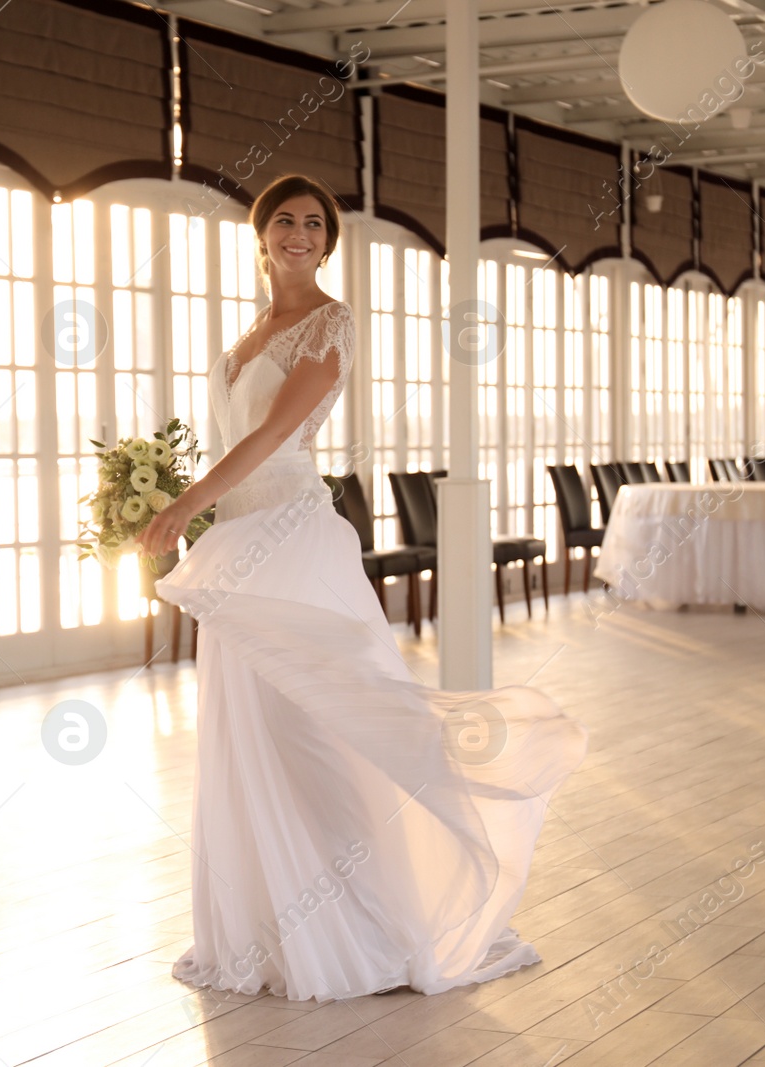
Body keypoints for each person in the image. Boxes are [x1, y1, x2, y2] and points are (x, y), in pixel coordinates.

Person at [137, 174, 587, 1003]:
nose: (299, 233)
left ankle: (367, 920)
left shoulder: (330, 323)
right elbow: (236, 437)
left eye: (314, 223)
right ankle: (264, 926)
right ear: (261, 234)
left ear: (328, 241)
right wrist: (187, 506)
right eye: (285, 221)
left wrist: (183, 505)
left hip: (296, 540)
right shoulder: (246, 335)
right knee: (249, 731)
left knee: (318, 725)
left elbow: (277, 435)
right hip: (237, 545)